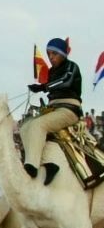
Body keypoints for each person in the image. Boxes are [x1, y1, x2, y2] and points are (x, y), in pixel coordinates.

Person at [23, 37, 82, 184]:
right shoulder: (51, 72)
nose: (51, 57)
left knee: (38, 125)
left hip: (69, 109)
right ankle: (46, 164)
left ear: (63, 54)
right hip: (53, 109)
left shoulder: (72, 67)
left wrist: (43, 87)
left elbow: (66, 81)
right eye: (49, 54)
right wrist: (43, 86)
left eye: (54, 54)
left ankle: (31, 168)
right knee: (25, 126)